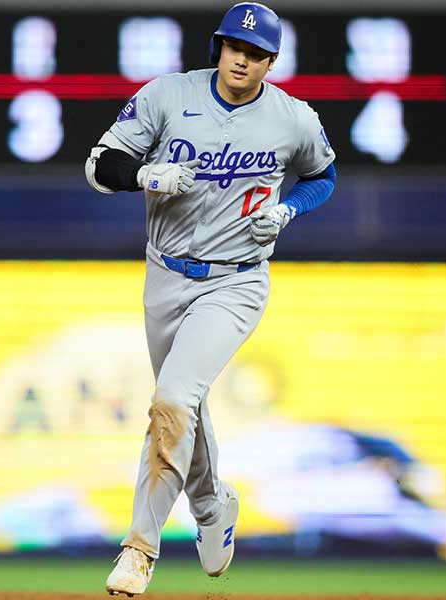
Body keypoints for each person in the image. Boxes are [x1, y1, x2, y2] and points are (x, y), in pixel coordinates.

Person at [84, 2, 336, 596]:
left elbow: (324, 175)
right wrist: (144, 176)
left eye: (255, 53)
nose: (241, 60)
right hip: (165, 275)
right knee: (183, 409)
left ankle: (139, 550)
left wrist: (288, 208)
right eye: (233, 47)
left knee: (172, 397)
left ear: (270, 61)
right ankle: (212, 504)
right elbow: (100, 165)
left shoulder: (293, 119)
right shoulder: (168, 96)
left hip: (236, 280)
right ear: (217, 48)